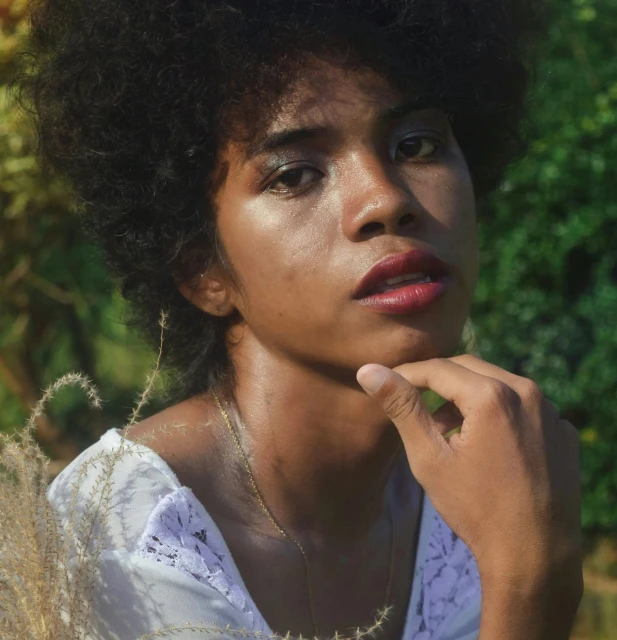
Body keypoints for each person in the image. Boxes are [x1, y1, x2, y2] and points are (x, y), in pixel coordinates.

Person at [18, 1, 583, 638]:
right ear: (202, 267)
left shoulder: (491, 484)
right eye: (296, 175)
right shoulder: (119, 542)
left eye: (415, 144)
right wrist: (530, 584)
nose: (385, 201)